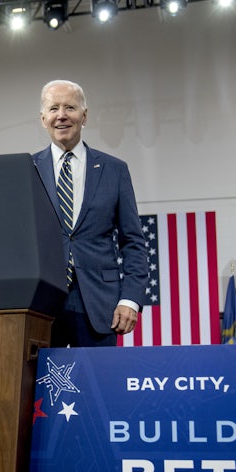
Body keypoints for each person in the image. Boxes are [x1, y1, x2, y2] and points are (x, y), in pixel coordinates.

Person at [33, 79, 148, 347]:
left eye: (70, 107)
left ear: (84, 116)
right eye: (53, 108)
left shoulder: (114, 170)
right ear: (43, 119)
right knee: (43, 389)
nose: (61, 115)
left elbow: (133, 242)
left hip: (100, 306)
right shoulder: (27, 170)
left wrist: (130, 299)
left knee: (97, 387)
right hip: (42, 306)